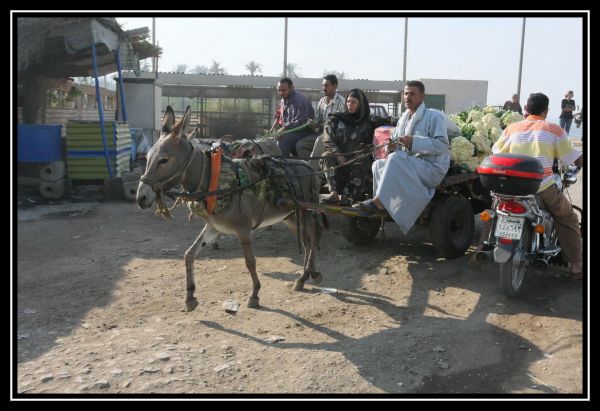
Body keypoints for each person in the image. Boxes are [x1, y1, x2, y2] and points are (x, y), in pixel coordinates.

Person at [483, 92, 583, 280]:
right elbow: (575, 159)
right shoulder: (553, 129)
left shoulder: (512, 128)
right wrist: (579, 162)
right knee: (568, 217)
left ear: (526, 110)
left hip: (508, 186)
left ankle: (482, 248)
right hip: (540, 186)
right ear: (546, 111)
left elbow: (495, 152)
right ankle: (577, 266)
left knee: (494, 212)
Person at [357, 80, 450, 234]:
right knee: (378, 164)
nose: (407, 97)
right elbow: (399, 148)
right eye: (405, 93)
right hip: (412, 165)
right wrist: (392, 146)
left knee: (395, 159)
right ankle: (384, 205)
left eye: (412, 93)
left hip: (432, 168)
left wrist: (414, 140)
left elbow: (442, 145)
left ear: (422, 96)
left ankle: (380, 202)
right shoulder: (403, 120)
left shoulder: (434, 116)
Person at [320, 89, 376, 204]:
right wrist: (337, 153)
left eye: (354, 102)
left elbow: (392, 122)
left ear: (360, 104)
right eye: (348, 101)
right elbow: (327, 138)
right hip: (339, 163)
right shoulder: (335, 119)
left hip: (357, 162)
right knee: (326, 156)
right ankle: (334, 194)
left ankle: (349, 197)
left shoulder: (369, 121)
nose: (349, 104)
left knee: (363, 161)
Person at [295, 74, 346, 168]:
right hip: (321, 134)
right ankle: (309, 168)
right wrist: (312, 123)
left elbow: (340, 127)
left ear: (335, 86)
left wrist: (325, 126)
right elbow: (317, 121)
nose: (324, 88)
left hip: (333, 137)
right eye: (323, 85)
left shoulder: (342, 103)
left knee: (319, 140)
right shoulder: (322, 101)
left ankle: (311, 173)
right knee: (300, 145)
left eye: (326, 85)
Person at [269, 77, 315, 157]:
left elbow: (301, 122)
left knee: (282, 139)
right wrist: (275, 130)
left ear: (291, 88)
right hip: (290, 131)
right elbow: (280, 118)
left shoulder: (300, 100)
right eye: (279, 90)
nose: (281, 93)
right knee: (271, 140)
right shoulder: (283, 100)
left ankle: (284, 165)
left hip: (303, 132)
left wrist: (285, 128)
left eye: (284, 90)